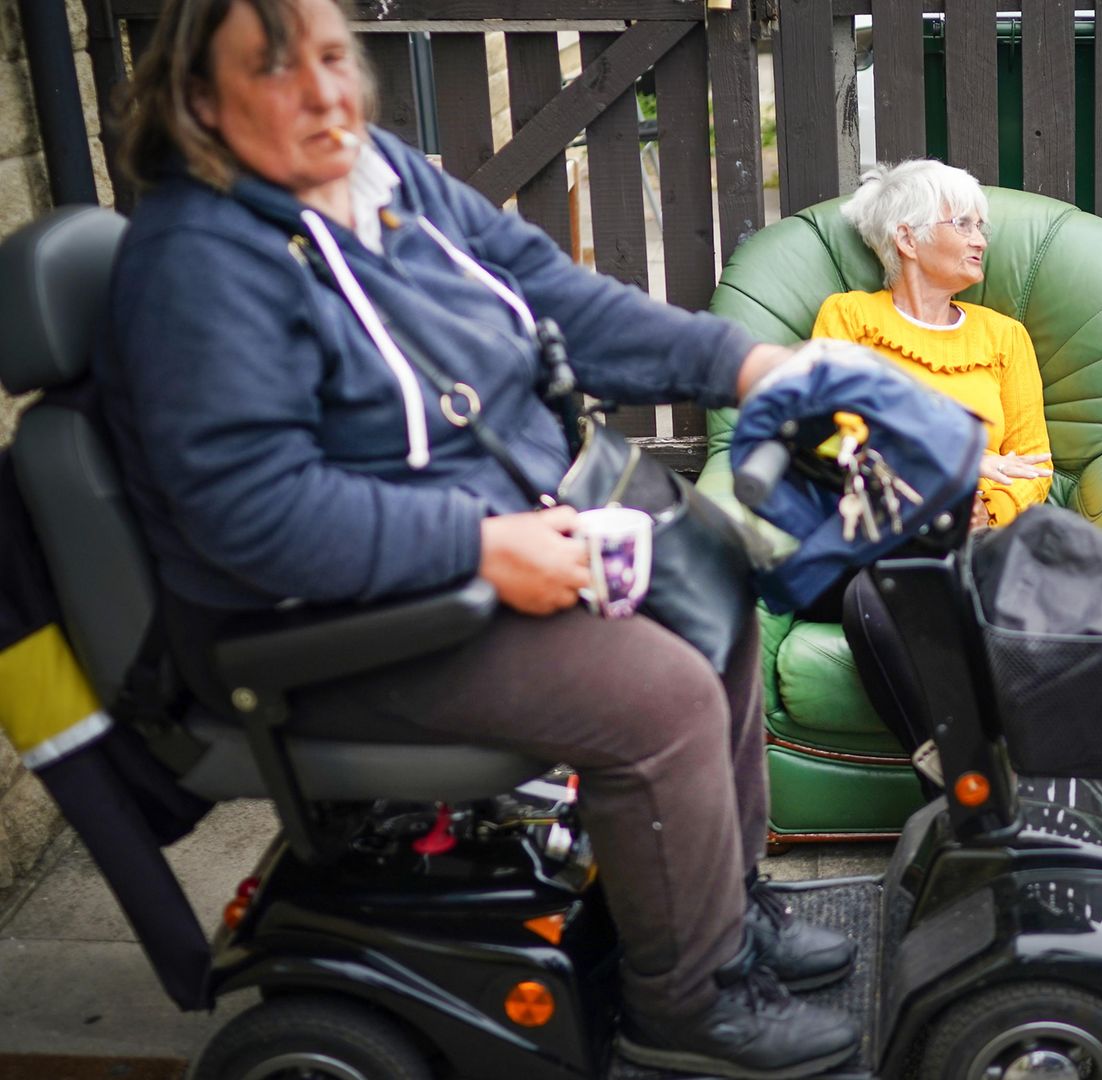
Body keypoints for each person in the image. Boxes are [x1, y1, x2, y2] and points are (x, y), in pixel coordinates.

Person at [95, 1, 861, 1075]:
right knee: (659, 696)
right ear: (200, 105)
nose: (323, 93)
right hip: (324, 622)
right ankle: (690, 1007)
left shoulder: (380, 179)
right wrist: (486, 547)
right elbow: (252, 513)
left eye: (330, 58)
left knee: (712, 580)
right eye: (275, 72)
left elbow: (552, 298)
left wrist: (745, 366)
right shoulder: (202, 263)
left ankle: (724, 912)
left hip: (457, 554)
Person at [814, 160, 1053, 531]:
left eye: (980, 226)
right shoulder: (850, 317)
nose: (980, 240)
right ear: (908, 239)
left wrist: (988, 513)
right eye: (962, 224)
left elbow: (1034, 464)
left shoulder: (1004, 336)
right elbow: (833, 433)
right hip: (882, 523)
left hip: (983, 539)